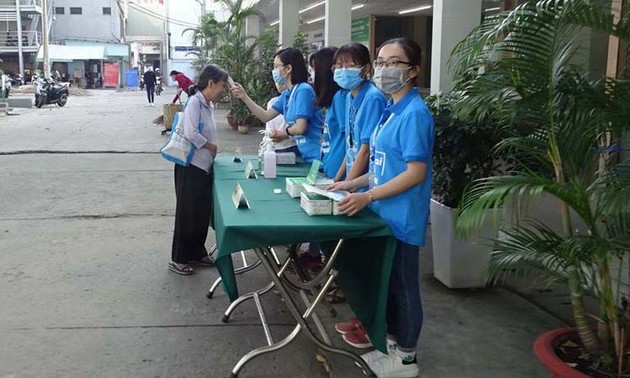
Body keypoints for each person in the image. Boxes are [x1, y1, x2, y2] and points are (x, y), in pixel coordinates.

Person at [329, 38, 433, 378]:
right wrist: (351, 184)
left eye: (395, 63)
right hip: (383, 216)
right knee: (389, 285)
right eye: (382, 61)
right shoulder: (391, 110)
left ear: (413, 70)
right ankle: (391, 345)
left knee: (404, 288)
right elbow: (383, 167)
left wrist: (368, 197)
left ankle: (407, 358)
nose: (385, 69)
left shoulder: (415, 114)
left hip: (402, 218)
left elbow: (414, 173)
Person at [168, 65, 227, 276]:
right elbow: (191, 133)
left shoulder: (207, 104)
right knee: (187, 213)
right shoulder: (194, 102)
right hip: (190, 166)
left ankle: (197, 252)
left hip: (204, 166)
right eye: (221, 85)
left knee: (201, 212)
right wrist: (211, 146)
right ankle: (179, 258)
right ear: (211, 83)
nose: (223, 90)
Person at [231, 47, 323, 163]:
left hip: (316, 154)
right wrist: (244, 96)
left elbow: (300, 128)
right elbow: (265, 116)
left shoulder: (303, 90)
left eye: (276, 66)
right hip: (306, 154)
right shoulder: (287, 94)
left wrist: (284, 133)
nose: (274, 71)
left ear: (288, 68)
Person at [332, 43, 386, 183]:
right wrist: (336, 181)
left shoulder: (373, 98)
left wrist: (347, 185)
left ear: (366, 68)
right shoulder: (350, 96)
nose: (343, 71)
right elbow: (351, 146)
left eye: (350, 66)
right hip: (352, 182)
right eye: (338, 66)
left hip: (365, 183)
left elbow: (366, 150)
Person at [312, 47, 347, 179]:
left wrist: (338, 177)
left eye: (315, 69)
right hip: (329, 167)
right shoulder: (333, 100)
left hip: (338, 173)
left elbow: (347, 142)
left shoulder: (341, 98)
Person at [265, 82, 298, 154]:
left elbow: (301, 127)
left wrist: (285, 134)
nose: (279, 84)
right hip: (276, 147)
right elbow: (266, 118)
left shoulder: (300, 95)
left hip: (295, 146)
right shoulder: (273, 102)